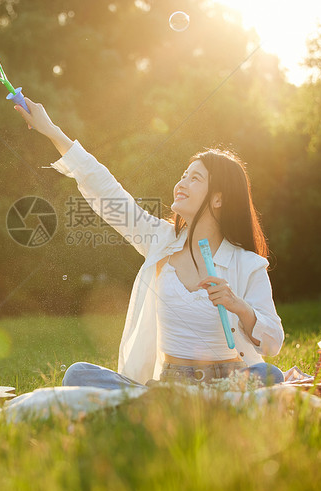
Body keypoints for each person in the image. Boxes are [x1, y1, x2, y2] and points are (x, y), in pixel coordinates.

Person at [14, 98, 285, 390]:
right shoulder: (160, 240)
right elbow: (107, 192)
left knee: (270, 376)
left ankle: (192, 405)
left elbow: (273, 344)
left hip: (228, 384)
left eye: (194, 179)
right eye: (183, 176)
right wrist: (52, 130)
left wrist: (239, 306)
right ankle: (175, 405)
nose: (180, 184)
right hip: (167, 386)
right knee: (79, 373)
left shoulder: (247, 264)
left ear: (218, 198)